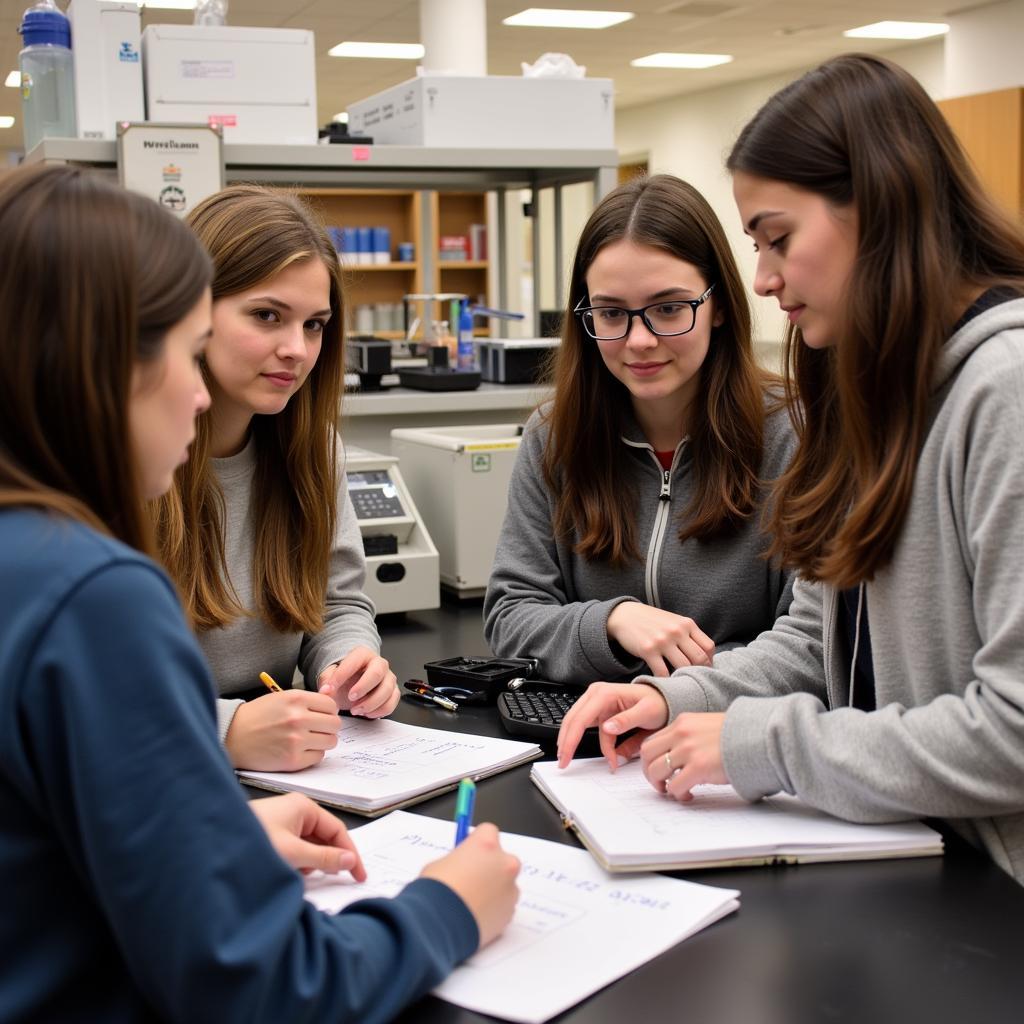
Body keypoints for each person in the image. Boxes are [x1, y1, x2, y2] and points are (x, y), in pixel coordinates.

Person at [0, 164, 519, 1022]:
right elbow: (262, 983)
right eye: (185, 343)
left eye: (314, 325)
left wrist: (218, 842)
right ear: (100, 360)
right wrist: (447, 909)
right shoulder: (93, 592)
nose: (199, 390)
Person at [557, 54, 1024, 884]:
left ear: (879, 208)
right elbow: (817, 638)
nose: (765, 279)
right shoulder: (877, 395)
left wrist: (762, 743)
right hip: (911, 857)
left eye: (779, 239)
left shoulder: (1005, 392)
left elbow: (1014, 732)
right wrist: (678, 698)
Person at [484, 174, 796, 685]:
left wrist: (674, 691)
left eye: (669, 308)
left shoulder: (794, 435)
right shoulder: (553, 436)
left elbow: (809, 640)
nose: (639, 340)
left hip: (732, 740)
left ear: (717, 305)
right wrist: (611, 622)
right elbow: (511, 615)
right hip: (589, 744)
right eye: (611, 313)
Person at [154, 185, 399, 772]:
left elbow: (335, 604)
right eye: (267, 316)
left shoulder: (314, 452)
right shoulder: (121, 463)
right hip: (151, 762)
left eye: (315, 325)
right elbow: (73, 683)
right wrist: (224, 729)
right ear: (190, 311)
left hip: (285, 759)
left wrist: (349, 662)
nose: (296, 349)